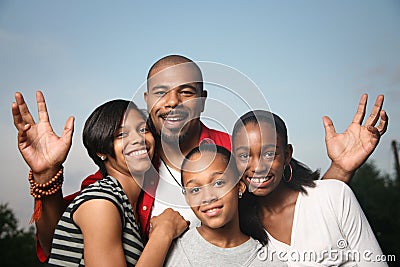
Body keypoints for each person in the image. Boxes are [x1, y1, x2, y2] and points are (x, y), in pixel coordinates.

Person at [12, 55, 387, 262]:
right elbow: (62, 238)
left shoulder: (234, 150)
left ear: (203, 100)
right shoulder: (132, 163)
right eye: (161, 92)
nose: (172, 101)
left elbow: (293, 210)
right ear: (147, 102)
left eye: (185, 92)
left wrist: (342, 168)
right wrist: (46, 176)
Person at [232, 110, 388, 266]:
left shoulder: (335, 195)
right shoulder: (241, 229)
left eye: (269, 154)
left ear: (287, 155)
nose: (258, 167)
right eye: (244, 156)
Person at [46, 99, 188, 266]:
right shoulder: (100, 202)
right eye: (121, 134)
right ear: (101, 150)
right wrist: (164, 232)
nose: (138, 139)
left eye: (143, 129)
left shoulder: (124, 203)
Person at [165, 144, 285, 266]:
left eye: (218, 183)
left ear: (240, 186)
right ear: (187, 198)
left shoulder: (270, 262)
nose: (208, 197)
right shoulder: (168, 250)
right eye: (195, 190)